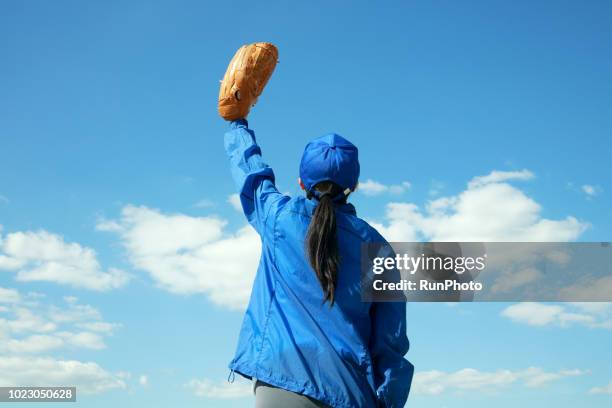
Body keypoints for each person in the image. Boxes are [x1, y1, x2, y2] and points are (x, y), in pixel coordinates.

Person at [224, 118, 413, 408]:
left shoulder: (278, 217)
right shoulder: (379, 250)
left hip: (280, 382)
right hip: (350, 393)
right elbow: (390, 343)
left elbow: (252, 175)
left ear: (302, 182)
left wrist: (237, 125)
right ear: (355, 186)